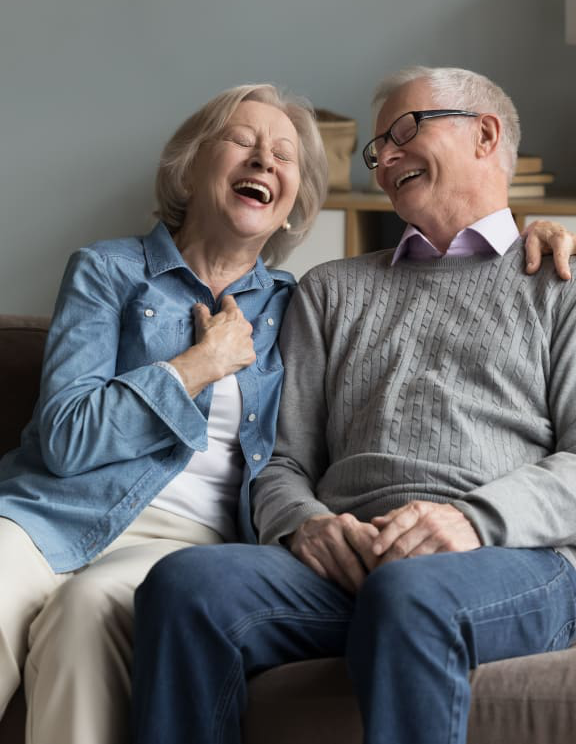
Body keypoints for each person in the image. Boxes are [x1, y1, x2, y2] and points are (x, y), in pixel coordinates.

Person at [131, 67, 576, 744]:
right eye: (377, 150)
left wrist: (472, 521)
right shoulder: (330, 290)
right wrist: (306, 525)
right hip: (351, 566)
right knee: (187, 585)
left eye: (403, 132)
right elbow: (282, 462)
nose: (385, 158)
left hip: (511, 558)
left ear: (485, 133)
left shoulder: (559, 278)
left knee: (410, 593)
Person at [0, 83, 328, 744]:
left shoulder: (302, 306)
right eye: (242, 139)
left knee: (87, 613)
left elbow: (413, 280)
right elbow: (65, 438)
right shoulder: (106, 271)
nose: (263, 158)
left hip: (186, 539)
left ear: (293, 206)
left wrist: (543, 235)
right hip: (50, 509)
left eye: (283, 154)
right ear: (191, 163)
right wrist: (198, 365)